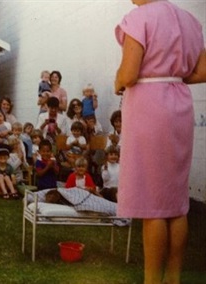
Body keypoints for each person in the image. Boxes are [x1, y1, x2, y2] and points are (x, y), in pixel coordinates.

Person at [114, 1, 205, 283]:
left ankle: (152, 281)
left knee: (152, 202)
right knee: (175, 202)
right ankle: (173, 278)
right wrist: (172, 78)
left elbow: (129, 73)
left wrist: (117, 82)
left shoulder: (138, 17)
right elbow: (202, 71)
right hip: (179, 105)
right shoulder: (190, 19)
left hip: (149, 107)